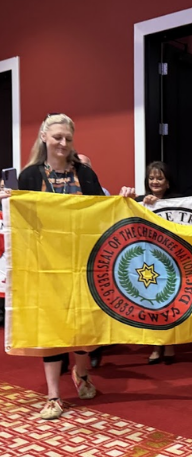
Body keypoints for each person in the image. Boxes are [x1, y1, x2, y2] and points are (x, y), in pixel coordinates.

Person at [18, 113, 105, 420]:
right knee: (52, 327)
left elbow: (101, 212)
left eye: (68, 138)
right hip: (45, 265)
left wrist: (124, 199)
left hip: (81, 262)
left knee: (81, 325)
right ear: (44, 137)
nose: (63, 143)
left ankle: (81, 374)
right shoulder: (29, 176)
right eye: (57, 137)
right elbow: (23, 221)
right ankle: (53, 395)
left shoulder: (85, 173)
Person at [137, 161, 178, 364]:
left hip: (170, 261)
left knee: (169, 302)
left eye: (160, 178)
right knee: (151, 304)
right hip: (146, 262)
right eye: (151, 178)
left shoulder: (179, 202)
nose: (155, 182)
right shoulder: (139, 201)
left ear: (168, 182)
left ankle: (169, 345)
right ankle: (155, 346)